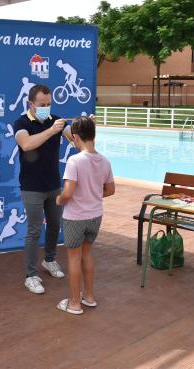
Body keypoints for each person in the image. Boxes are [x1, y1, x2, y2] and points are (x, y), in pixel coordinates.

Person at [13, 84, 75, 294]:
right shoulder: (21, 123)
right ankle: (31, 275)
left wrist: (86, 127)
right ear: (31, 103)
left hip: (53, 185)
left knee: (55, 224)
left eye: (49, 104)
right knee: (34, 229)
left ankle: (49, 260)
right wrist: (51, 130)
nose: (46, 108)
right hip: (32, 187)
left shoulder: (56, 121)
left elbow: (76, 141)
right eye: (42, 104)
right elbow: (27, 145)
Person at [55, 116, 115, 314]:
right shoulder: (104, 161)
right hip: (95, 216)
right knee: (87, 254)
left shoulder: (74, 161)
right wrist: (93, 195)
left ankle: (74, 303)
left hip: (75, 218)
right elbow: (110, 190)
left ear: (77, 137)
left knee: (73, 258)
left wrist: (59, 199)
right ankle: (88, 297)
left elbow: (68, 193)